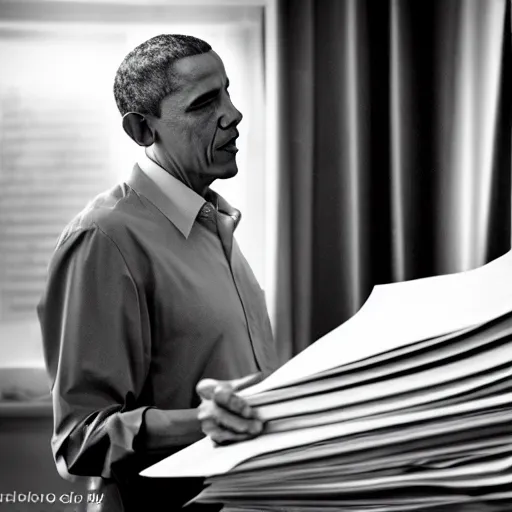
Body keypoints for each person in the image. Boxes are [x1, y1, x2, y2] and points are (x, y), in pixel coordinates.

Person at [37, 34, 279, 512]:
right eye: (204, 103)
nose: (232, 114)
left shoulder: (216, 225)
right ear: (142, 130)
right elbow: (79, 441)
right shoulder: (103, 240)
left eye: (228, 92)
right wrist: (201, 422)